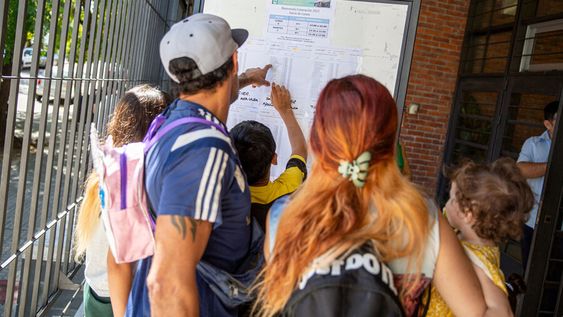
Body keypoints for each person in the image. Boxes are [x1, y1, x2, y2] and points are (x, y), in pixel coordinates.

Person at [256, 75, 493, 316]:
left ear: (318, 140)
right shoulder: (423, 218)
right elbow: (479, 312)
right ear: (390, 143)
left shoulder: (285, 216)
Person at [126, 14, 272, 317]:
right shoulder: (203, 150)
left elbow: (209, 99)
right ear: (234, 60)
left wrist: (244, 80)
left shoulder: (174, 119)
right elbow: (168, 284)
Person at [74, 85, 169, 317]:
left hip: (95, 291)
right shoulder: (133, 185)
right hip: (119, 300)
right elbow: (119, 263)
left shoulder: (111, 171)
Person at [426, 158, 534, 317]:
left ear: (468, 214)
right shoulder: (473, 240)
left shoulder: (473, 259)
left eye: (451, 199)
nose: (446, 205)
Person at [231, 83, 307, 230]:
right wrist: (285, 111)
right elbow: (300, 150)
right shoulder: (288, 187)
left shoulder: (224, 195)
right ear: (274, 158)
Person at [517, 100, 559, 269]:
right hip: (533, 219)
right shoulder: (533, 144)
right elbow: (520, 169)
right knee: (531, 268)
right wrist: (554, 166)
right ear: (547, 124)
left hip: (560, 224)